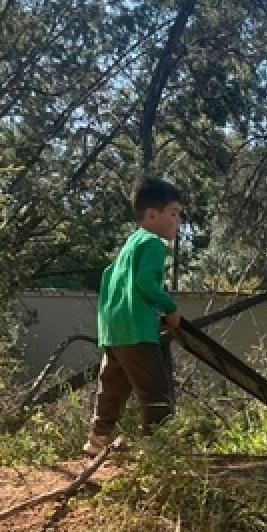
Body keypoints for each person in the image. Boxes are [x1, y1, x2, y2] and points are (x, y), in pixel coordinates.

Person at [83, 176, 184, 456]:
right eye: (173, 214)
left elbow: (108, 279)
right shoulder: (153, 243)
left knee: (112, 388)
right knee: (156, 391)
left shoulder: (130, 245)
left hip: (114, 332)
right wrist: (170, 308)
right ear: (152, 215)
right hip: (138, 332)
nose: (178, 222)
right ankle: (158, 448)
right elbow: (145, 283)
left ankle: (98, 437)